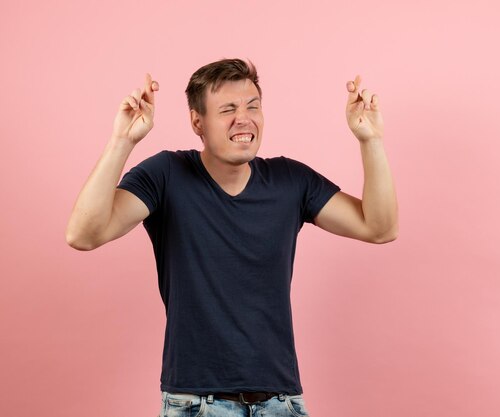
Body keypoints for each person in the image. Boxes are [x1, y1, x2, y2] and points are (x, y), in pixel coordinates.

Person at [66, 58, 398, 417]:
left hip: (281, 402)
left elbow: (379, 228)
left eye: (253, 106)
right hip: (197, 403)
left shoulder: (291, 180)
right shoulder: (166, 174)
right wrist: (121, 140)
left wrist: (372, 140)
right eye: (228, 109)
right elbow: (84, 234)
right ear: (198, 122)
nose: (244, 118)